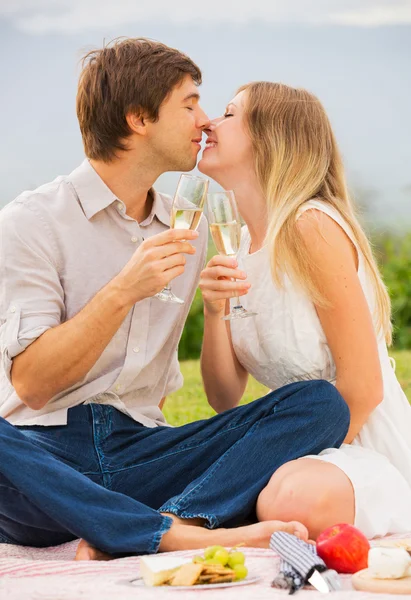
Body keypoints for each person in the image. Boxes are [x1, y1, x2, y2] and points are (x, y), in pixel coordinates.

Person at [0, 40, 349, 560]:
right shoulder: (31, 222)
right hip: (43, 458)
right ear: (139, 118)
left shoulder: (188, 225)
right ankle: (166, 531)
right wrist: (122, 291)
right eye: (189, 104)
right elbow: (31, 386)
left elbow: (155, 384)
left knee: (319, 403)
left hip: (144, 453)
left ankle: (169, 519)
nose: (204, 120)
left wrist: (215, 310)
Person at [198, 81, 411, 540]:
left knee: (289, 498)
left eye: (230, 114)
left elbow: (363, 389)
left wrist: (261, 462)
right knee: (271, 489)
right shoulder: (234, 244)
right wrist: (214, 312)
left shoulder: (310, 227)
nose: (209, 123)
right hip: (289, 448)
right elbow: (223, 397)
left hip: (358, 441)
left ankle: (222, 511)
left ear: (271, 138)